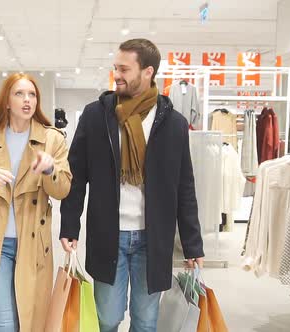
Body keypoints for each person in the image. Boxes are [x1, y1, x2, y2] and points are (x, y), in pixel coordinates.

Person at [59, 38, 205, 332]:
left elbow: (184, 186)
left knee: (146, 321)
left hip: (153, 239)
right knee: (107, 318)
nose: (117, 75)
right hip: (108, 234)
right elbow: (76, 175)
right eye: (116, 67)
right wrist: (69, 226)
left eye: (124, 69)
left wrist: (192, 243)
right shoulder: (96, 116)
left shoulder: (173, 124)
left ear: (147, 71)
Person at [0, 73, 72, 332]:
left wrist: (49, 170)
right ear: (6, 101)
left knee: (30, 320)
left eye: (32, 94)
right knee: (6, 322)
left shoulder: (53, 139)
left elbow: (63, 189)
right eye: (19, 94)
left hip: (33, 246)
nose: (27, 100)